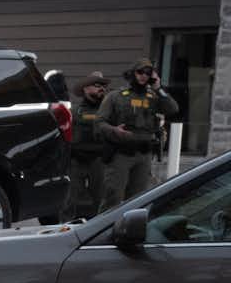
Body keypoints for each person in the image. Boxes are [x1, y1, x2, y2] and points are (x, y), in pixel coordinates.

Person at [101, 57, 181, 203]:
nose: (144, 75)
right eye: (140, 72)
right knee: (113, 196)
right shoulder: (116, 96)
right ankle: (104, 225)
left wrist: (158, 87)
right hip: (121, 153)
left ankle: (130, 226)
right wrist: (114, 130)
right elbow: (100, 122)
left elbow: (173, 109)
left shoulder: (154, 97)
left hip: (144, 154)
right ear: (132, 74)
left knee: (137, 200)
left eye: (148, 72)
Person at [67, 71, 115, 219]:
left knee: (101, 199)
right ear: (85, 89)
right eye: (97, 85)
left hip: (100, 160)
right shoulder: (74, 111)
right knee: (70, 199)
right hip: (77, 160)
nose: (101, 88)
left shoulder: (111, 111)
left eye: (103, 86)